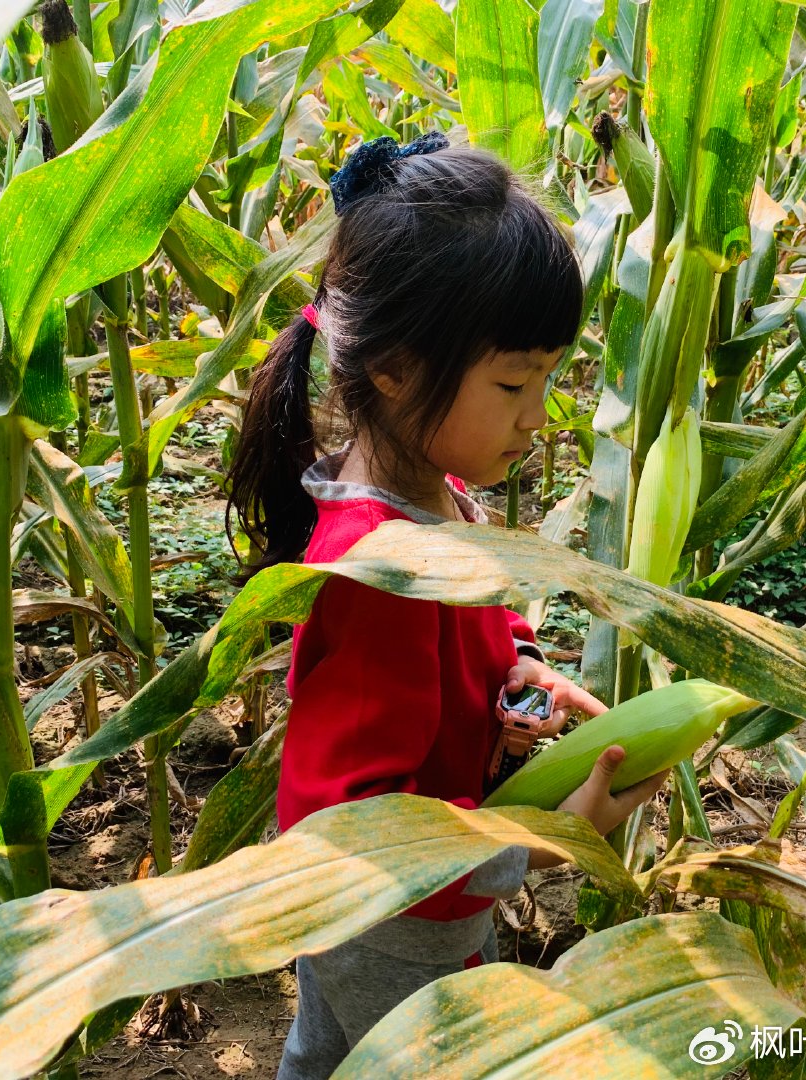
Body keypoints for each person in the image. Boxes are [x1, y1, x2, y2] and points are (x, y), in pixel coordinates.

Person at [226, 131, 669, 1079]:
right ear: (392, 368)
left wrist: (518, 670)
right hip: (391, 924)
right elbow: (363, 826)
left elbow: (469, 621)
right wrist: (546, 842)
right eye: (514, 383)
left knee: (326, 1056)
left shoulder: (423, 491)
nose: (536, 416)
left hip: (377, 916)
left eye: (546, 379)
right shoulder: (382, 572)